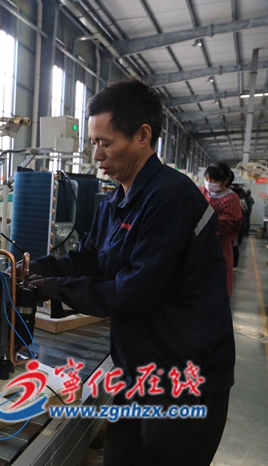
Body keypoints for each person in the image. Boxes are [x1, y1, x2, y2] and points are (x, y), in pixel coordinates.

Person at [24, 79, 235, 466]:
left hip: (184, 378)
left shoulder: (169, 198)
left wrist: (55, 289)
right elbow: (92, 258)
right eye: (93, 143)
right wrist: (31, 270)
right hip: (138, 369)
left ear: (142, 136)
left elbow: (132, 291)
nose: (96, 155)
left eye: (105, 143)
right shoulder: (116, 200)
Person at [200, 164, 242, 294]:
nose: (209, 183)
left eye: (213, 180)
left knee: (215, 288)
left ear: (226, 180)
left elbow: (223, 228)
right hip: (199, 247)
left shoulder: (230, 199)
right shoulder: (202, 191)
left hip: (218, 248)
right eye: (207, 179)